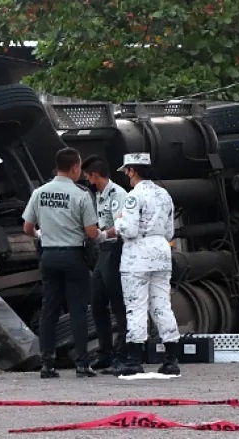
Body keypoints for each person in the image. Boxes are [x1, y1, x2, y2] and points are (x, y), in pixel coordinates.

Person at [22, 147, 103, 379]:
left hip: (49, 256)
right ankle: (82, 364)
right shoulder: (80, 195)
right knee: (77, 309)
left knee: (50, 309)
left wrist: (42, 235)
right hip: (74, 257)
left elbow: (27, 228)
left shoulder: (39, 192)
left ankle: (47, 363)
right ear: (76, 167)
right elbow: (90, 232)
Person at [113, 152, 181, 377]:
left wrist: (119, 221)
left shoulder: (133, 196)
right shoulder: (164, 194)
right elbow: (170, 230)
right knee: (162, 304)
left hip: (137, 255)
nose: (125, 175)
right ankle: (171, 359)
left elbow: (130, 230)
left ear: (132, 171)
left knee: (136, 305)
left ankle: (134, 360)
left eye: (126, 171)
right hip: (162, 252)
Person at [82, 155, 128, 375]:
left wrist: (101, 235)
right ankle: (105, 353)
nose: (87, 180)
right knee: (98, 302)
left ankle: (122, 354)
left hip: (115, 249)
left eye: (88, 176)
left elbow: (120, 224)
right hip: (103, 252)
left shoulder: (117, 193)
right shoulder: (98, 195)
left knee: (118, 303)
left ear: (95, 175)